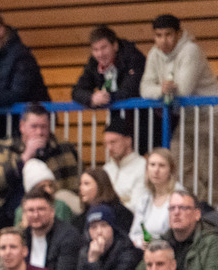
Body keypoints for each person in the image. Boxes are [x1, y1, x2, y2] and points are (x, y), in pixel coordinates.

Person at [140, 14, 218, 202]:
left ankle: (214, 213)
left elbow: (182, 90)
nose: (163, 41)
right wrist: (161, 89)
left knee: (208, 170)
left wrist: (161, 90)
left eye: (168, 35)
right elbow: (144, 88)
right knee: (176, 166)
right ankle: (201, 207)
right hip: (186, 118)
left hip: (210, 115)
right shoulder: (153, 54)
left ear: (179, 33)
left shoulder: (191, 50)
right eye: (158, 35)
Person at [127, 191, 218, 270]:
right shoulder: (162, 242)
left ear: (197, 214)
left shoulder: (212, 242)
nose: (176, 212)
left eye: (183, 208)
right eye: (172, 208)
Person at [0, 104, 80, 215]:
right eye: (34, 127)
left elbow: (74, 185)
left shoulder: (63, 148)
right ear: (22, 127)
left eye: (43, 127)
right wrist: (25, 157)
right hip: (10, 209)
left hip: (54, 208)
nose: (39, 132)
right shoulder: (3, 147)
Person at [21, 187, 82, 270]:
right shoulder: (23, 237)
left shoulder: (68, 236)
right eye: (30, 210)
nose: (36, 215)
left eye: (41, 209)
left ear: (52, 212)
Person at [71, 26, 146, 109]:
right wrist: (91, 98)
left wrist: (108, 97)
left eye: (104, 47)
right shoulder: (94, 63)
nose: (100, 54)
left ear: (115, 46)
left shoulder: (133, 57)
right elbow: (77, 91)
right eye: (95, 50)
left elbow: (131, 89)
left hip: (144, 115)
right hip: (117, 116)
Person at [130, 148, 184, 248]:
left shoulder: (179, 196)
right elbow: (135, 234)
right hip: (146, 252)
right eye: (152, 165)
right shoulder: (145, 198)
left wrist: (154, 242)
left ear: (171, 170)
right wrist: (140, 242)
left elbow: (179, 233)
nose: (156, 170)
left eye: (162, 165)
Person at [102, 117, 146, 212]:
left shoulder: (142, 167)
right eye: (106, 144)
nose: (109, 148)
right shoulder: (106, 169)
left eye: (113, 142)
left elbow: (136, 205)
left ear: (128, 141)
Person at [72, 168, 134, 234]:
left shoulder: (121, 214)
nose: (81, 188)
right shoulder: (79, 220)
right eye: (80, 184)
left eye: (86, 184)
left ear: (100, 185)